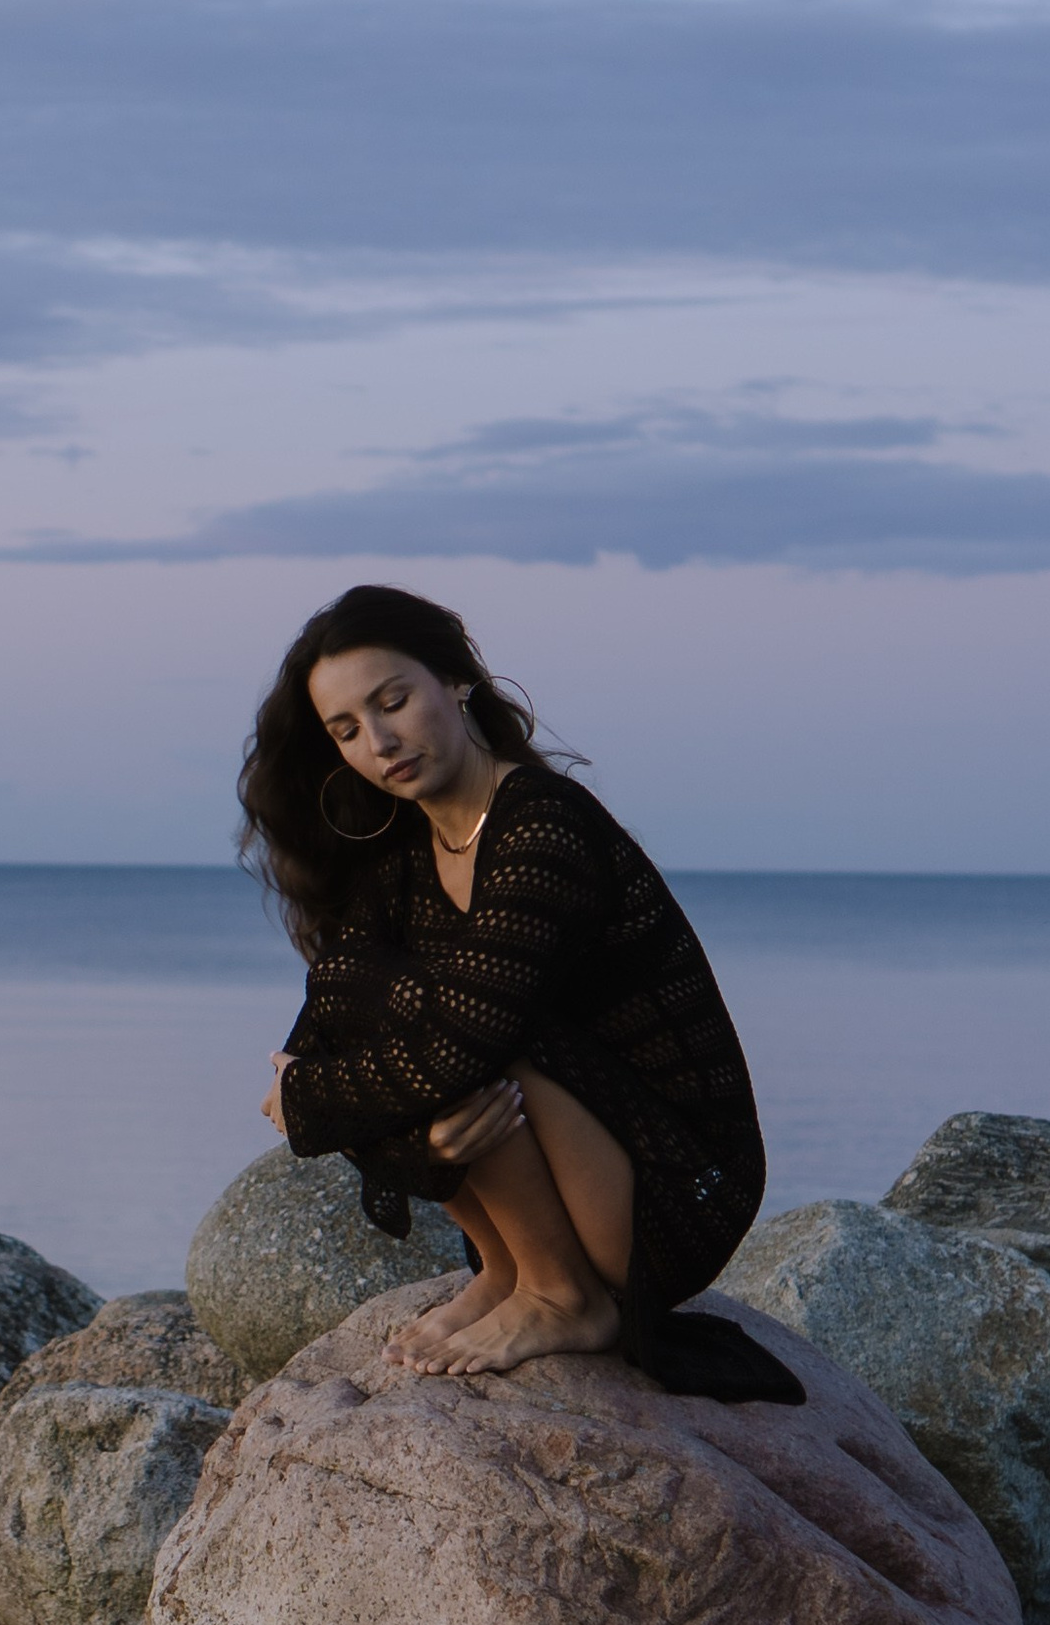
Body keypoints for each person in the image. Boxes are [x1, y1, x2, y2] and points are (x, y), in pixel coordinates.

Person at [242, 583, 802, 1403]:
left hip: (670, 1189)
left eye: (393, 701)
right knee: (378, 1012)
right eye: (349, 730)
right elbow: (332, 1019)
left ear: (457, 682)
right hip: (573, 1152)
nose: (381, 741)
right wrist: (387, 1126)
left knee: (451, 1040)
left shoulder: (543, 826)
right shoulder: (406, 853)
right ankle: (509, 1269)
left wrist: (306, 1100)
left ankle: (563, 1294)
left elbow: (459, 1046)